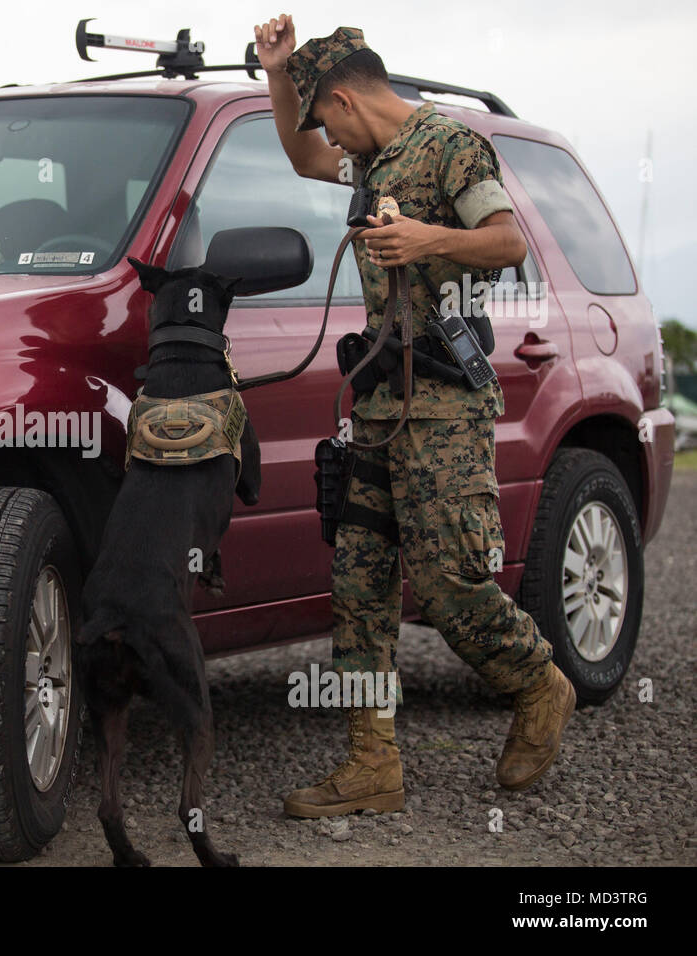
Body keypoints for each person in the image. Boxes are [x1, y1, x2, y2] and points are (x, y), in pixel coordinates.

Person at [251, 16, 576, 816]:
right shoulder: (368, 156)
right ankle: (373, 766)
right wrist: (278, 69)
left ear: (348, 98)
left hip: (443, 407)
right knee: (359, 584)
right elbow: (299, 156)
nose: (323, 132)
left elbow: (506, 244)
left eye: (323, 113)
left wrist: (427, 237)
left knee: (446, 583)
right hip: (380, 403)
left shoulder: (451, 147)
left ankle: (539, 682)